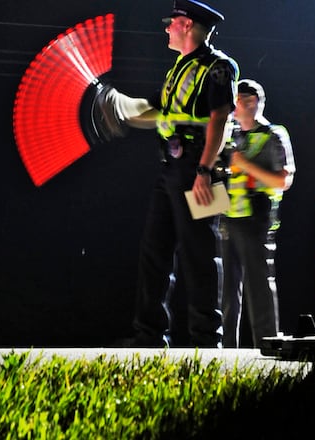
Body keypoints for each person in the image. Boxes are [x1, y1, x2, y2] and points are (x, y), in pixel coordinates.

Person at [117, 0, 239, 347]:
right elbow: (153, 109)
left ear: (186, 24)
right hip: (171, 168)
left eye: (171, 22)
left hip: (204, 169)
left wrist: (204, 169)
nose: (166, 27)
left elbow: (220, 118)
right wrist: (115, 104)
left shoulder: (219, 67)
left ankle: (206, 339)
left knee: (201, 254)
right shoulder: (178, 70)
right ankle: (149, 336)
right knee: (154, 251)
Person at [221, 79, 295, 347]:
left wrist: (244, 164)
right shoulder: (230, 136)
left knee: (258, 286)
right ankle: (225, 350)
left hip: (257, 219)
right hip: (227, 219)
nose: (232, 108)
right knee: (226, 290)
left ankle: (266, 346)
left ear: (251, 103)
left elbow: (282, 181)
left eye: (237, 101)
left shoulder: (273, 135)